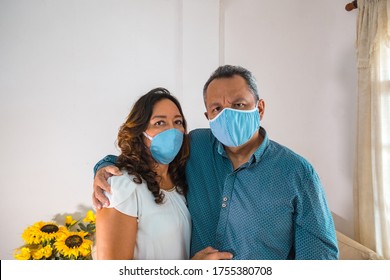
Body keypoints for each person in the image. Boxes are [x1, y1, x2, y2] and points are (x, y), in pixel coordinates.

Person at [93, 65, 339, 260]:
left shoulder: (296, 172)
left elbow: (320, 257)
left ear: (260, 108)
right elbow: (146, 158)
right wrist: (104, 167)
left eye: (239, 105)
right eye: (217, 108)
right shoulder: (196, 146)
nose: (227, 114)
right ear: (207, 116)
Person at [95, 87, 192, 260]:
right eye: (160, 123)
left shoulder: (180, 184)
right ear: (139, 132)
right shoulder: (121, 187)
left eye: (178, 122)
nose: (172, 130)